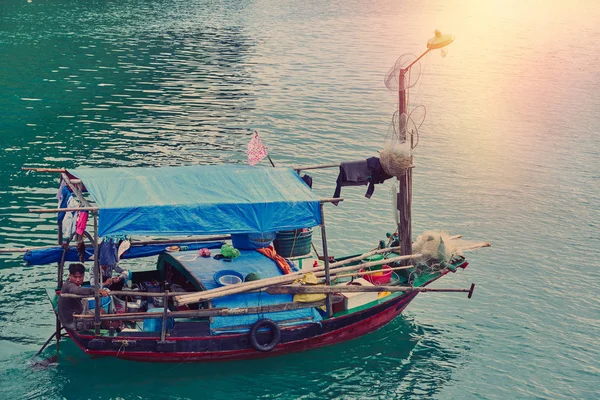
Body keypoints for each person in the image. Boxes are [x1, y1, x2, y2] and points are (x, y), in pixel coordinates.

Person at [58, 263, 109, 330]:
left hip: (69, 319)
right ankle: (109, 329)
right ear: (70, 276)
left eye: (80, 277)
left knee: (85, 301)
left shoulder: (68, 283)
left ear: (83, 276)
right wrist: (96, 290)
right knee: (102, 311)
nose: (78, 280)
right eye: (75, 277)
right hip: (73, 323)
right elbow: (77, 290)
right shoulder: (69, 286)